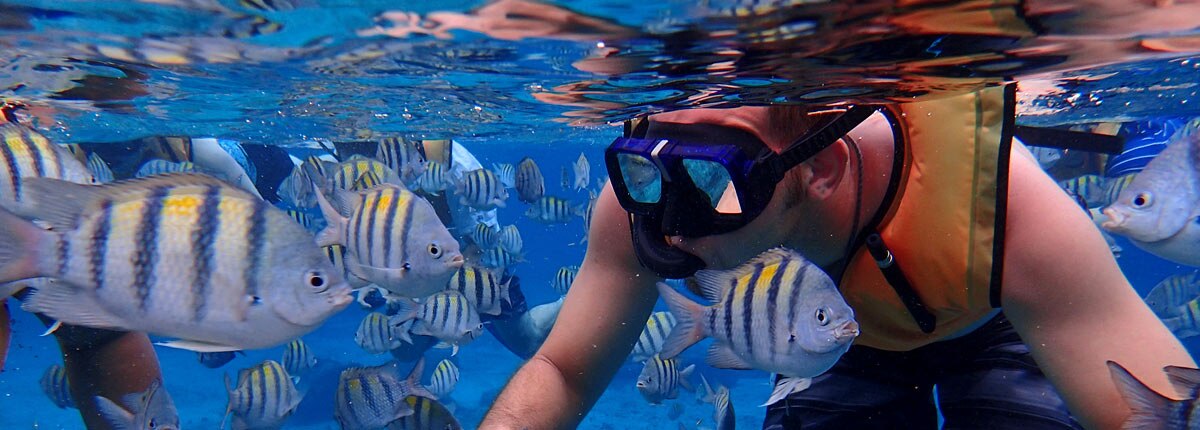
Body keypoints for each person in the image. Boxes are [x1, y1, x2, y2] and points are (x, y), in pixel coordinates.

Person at [480, 85, 1197, 429]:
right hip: (822, 342)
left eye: (714, 178)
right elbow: (562, 371)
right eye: (647, 169)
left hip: (994, 326)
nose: (672, 224)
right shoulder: (650, 198)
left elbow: (1165, 411)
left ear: (818, 167)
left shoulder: (1006, 210)